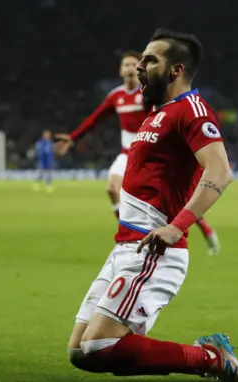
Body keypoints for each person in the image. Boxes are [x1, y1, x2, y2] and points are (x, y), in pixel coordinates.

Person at [66, 28, 238, 382]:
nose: (139, 67)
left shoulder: (191, 110)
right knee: (80, 352)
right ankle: (206, 357)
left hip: (155, 250)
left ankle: (210, 358)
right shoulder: (156, 112)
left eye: (150, 60)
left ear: (176, 69)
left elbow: (220, 171)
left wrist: (177, 225)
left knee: (99, 346)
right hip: (125, 248)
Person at [55, 51, 220, 256]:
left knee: (173, 202)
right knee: (111, 188)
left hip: (152, 154)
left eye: (135, 64)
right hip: (127, 154)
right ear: (120, 70)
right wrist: (73, 138)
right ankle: (128, 237)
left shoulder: (148, 95)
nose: (131, 68)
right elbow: (95, 118)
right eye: (126, 65)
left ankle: (206, 230)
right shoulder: (116, 96)